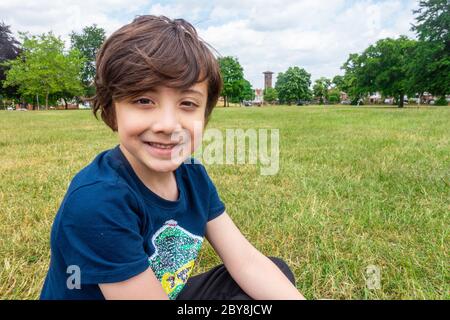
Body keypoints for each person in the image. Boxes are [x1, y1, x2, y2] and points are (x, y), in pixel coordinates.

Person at [40, 15, 305, 300]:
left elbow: (246, 262)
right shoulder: (97, 201)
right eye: (144, 100)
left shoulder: (191, 174)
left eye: (188, 103)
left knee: (273, 275)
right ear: (112, 109)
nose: (168, 124)